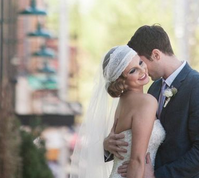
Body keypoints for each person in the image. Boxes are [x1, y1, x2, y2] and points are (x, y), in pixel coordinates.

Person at [104, 24, 199, 178]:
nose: (142, 69)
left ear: (156, 55)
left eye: (141, 62)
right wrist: (108, 147)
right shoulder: (153, 88)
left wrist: (157, 176)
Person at [70, 44, 165, 178]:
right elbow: (136, 160)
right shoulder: (146, 102)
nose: (142, 70)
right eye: (133, 71)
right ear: (122, 80)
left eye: (140, 63)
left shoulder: (122, 103)